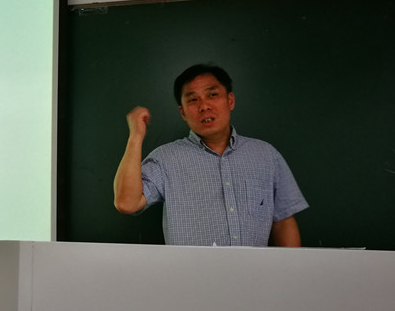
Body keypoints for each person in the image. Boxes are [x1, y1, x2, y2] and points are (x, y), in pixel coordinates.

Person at [113, 64, 308, 247]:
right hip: (188, 271)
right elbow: (126, 203)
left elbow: (284, 221)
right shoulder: (165, 158)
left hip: (254, 271)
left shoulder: (266, 155)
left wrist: (290, 269)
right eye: (193, 99)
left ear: (230, 101)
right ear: (183, 112)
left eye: (212, 95)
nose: (204, 106)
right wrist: (135, 137)